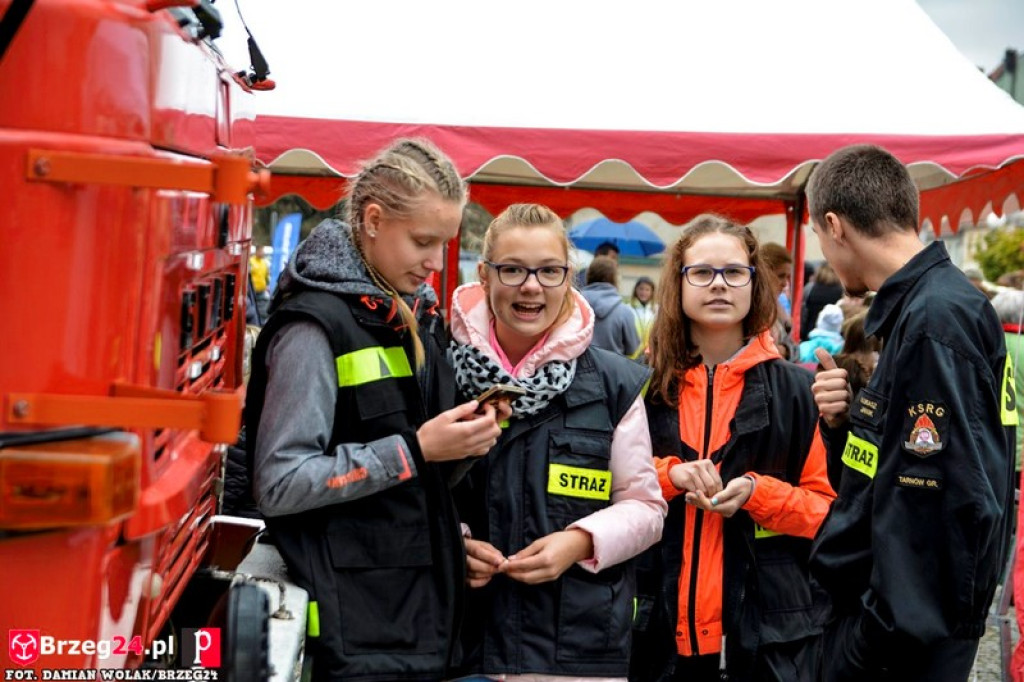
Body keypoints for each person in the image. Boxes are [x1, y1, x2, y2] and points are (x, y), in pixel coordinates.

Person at [244, 138, 505, 682]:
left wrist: (463, 446)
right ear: (372, 219)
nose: (436, 263)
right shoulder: (313, 327)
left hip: (407, 626)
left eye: (445, 243)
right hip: (348, 636)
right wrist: (417, 449)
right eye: (423, 242)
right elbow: (281, 482)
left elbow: (404, 481)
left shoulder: (411, 316)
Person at [806, 144, 1016, 682]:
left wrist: (866, 642)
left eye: (819, 238)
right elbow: (908, 461)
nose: (826, 255)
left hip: (901, 641)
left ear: (835, 225)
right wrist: (845, 424)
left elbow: (939, 502)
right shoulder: (933, 307)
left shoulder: (932, 319)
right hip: (910, 626)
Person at [447, 203, 666, 681]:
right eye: (513, 269)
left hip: (575, 650)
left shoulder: (613, 385)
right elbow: (412, 495)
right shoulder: (442, 375)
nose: (531, 285)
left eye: (549, 270)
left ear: (570, 277)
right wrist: (453, 543)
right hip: (461, 642)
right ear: (484, 276)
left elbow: (646, 509)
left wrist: (579, 541)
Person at [635, 213, 835, 682]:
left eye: (733, 272)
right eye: (702, 272)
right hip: (653, 631)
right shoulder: (641, 386)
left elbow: (828, 509)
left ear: (754, 282)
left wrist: (757, 493)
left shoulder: (796, 392)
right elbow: (606, 483)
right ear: (678, 284)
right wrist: (669, 476)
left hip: (764, 637)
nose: (718, 285)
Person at [581, 255, 642, 357]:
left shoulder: (574, 305)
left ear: (589, 275)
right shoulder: (624, 311)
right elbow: (632, 348)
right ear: (614, 278)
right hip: (614, 370)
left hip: (579, 369)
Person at [759, 242, 797, 361]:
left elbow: (794, 348)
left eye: (787, 277)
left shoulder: (776, 305)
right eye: (781, 276)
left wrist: (784, 350)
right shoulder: (751, 307)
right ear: (764, 272)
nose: (785, 283)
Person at [800, 262, 843, 341]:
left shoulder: (809, 288)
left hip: (811, 333)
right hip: (834, 336)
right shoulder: (841, 290)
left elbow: (804, 312)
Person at [631, 275, 658, 357]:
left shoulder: (657, 310)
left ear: (652, 292)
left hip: (651, 355)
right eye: (641, 289)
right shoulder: (628, 309)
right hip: (632, 355)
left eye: (647, 290)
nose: (643, 292)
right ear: (636, 290)